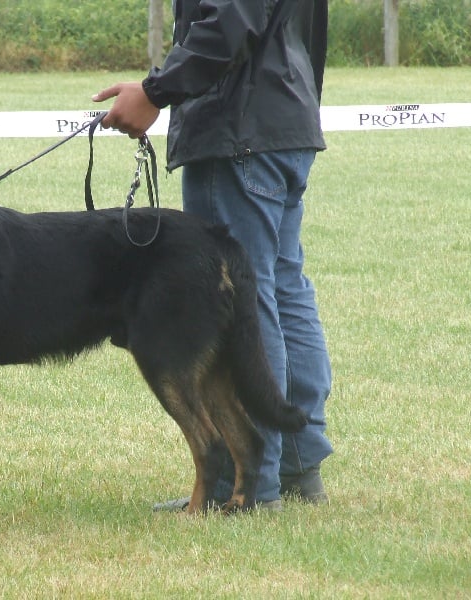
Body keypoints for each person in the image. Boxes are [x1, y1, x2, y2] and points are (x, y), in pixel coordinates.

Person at [92, 0, 333, 511]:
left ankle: (245, 484)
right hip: (286, 117)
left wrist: (156, 91)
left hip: (237, 129)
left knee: (248, 298)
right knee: (285, 288)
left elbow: (230, 21)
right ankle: (295, 465)